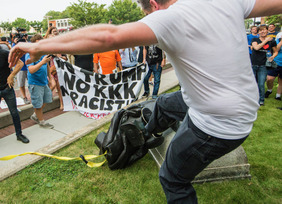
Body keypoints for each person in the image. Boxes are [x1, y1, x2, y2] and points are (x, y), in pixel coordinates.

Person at [8, 0, 282, 203]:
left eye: (146, 16)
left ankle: (168, 146)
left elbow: (107, 36)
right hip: (225, 104)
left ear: (153, 5)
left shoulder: (168, 17)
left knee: (172, 179)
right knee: (162, 104)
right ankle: (145, 135)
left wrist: (37, 46)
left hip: (217, 124)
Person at [0, 49, 29, 143]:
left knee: (14, 112)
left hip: (7, 88)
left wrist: (11, 76)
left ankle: (19, 134)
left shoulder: (4, 53)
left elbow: (20, 63)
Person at [26, 34, 54, 128]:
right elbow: (31, 70)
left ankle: (35, 115)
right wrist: (42, 61)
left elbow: (47, 66)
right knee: (38, 104)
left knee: (47, 98)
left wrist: (50, 79)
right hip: (35, 83)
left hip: (44, 82)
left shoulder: (43, 53)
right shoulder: (29, 54)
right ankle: (41, 121)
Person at [251, 25, 278, 106]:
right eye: (260, 30)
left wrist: (273, 56)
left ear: (267, 31)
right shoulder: (255, 39)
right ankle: (252, 99)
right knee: (252, 83)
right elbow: (256, 48)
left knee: (261, 83)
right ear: (258, 32)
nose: (262, 32)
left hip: (263, 65)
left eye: (264, 30)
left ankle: (261, 99)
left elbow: (275, 51)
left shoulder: (272, 41)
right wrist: (266, 41)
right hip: (253, 64)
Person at [265, 33, 282, 100]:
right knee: (269, 78)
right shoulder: (278, 40)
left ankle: (278, 96)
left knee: (281, 81)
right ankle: (269, 90)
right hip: (276, 62)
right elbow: (276, 50)